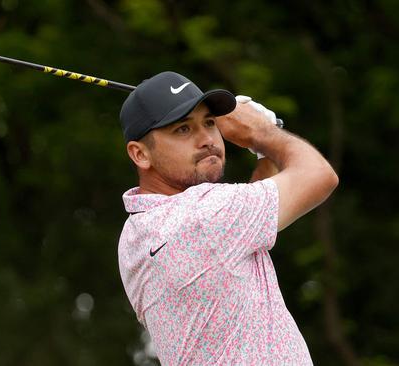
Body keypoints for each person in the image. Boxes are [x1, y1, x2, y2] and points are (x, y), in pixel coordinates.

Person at [117, 71, 338, 365]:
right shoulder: (203, 216)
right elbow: (320, 175)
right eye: (183, 129)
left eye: (209, 123)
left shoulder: (137, 231)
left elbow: (240, 235)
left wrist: (265, 154)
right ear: (140, 154)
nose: (206, 139)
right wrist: (261, 133)